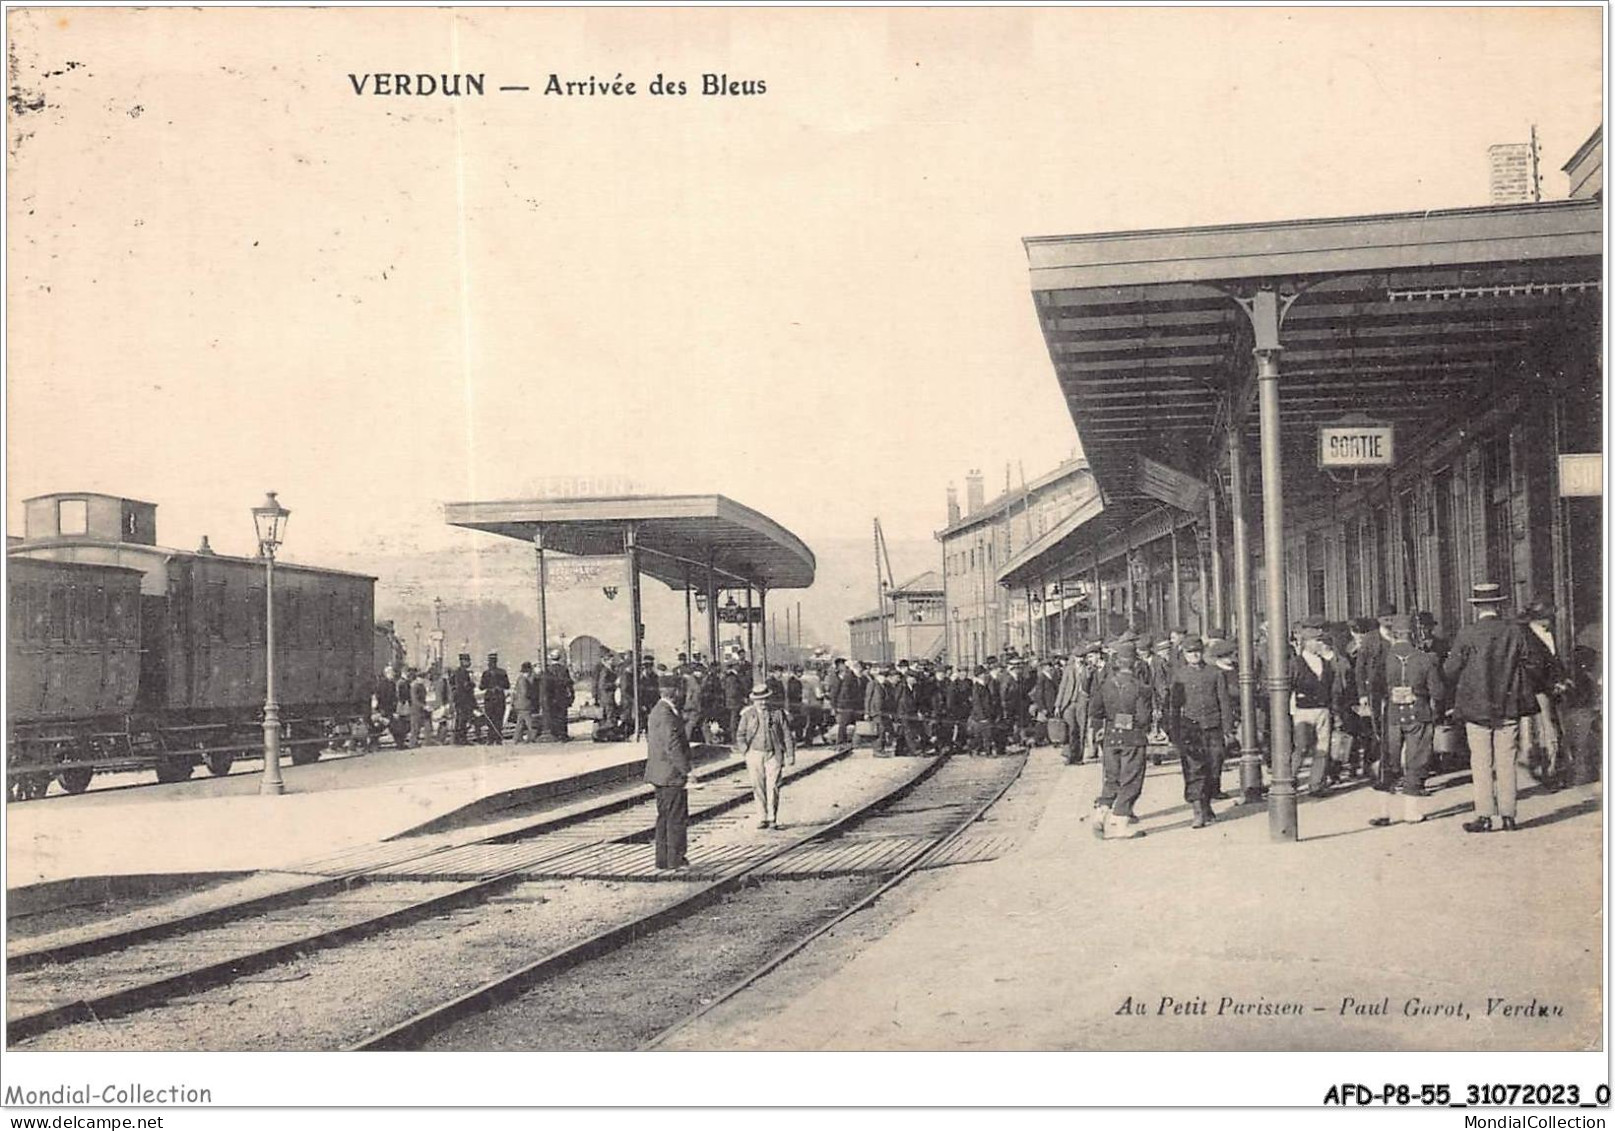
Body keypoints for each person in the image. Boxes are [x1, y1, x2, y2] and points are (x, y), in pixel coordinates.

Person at [1443, 582, 1544, 833]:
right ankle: (1509, 816)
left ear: (1476, 607)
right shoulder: (1515, 632)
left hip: (1476, 709)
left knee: (1480, 763)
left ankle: (1485, 816)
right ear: (1499, 605)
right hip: (1509, 707)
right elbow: (1534, 664)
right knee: (1506, 761)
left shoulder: (1467, 634)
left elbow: (1450, 670)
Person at [1369, 614, 1445, 827]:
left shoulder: (1384, 659)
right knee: (1416, 761)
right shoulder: (1425, 658)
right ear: (1414, 634)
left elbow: (1374, 687)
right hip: (1418, 713)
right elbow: (1437, 692)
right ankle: (1411, 812)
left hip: (1392, 714)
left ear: (1394, 635)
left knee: (1388, 761)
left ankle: (1384, 812)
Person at [1088, 639, 1152, 840]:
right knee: (1131, 780)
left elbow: (1095, 712)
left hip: (1110, 737)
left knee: (1111, 778)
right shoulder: (1141, 688)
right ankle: (1120, 822)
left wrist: (1103, 730)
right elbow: (1143, 718)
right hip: (1133, 739)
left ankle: (1100, 813)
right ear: (1135, 663)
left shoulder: (1104, 685)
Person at [1168, 635, 1231, 828]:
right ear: (1184, 655)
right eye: (1189, 653)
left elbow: (1224, 701)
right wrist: (1174, 732)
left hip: (1213, 727)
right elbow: (1174, 706)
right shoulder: (1179, 675)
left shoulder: (1215, 673)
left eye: (1196, 652)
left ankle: (1206, 805)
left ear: (1202, 653)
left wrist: (1228, 729)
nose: (1194, 655)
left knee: (1214, 766)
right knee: (1194, 769)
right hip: (1190, 729)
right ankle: (1198, 811)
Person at [1291, 624, 1345, 796]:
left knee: (1323, 748)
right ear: (1307, 642)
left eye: (1321, 640)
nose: (1320, 644)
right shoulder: (1296, 663)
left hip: (1323, 709)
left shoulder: (1325, 662)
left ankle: (1316, 784)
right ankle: (1290, 778)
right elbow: (1289, 688)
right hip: (1303, 710)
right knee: (1302, 747)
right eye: (1317, 641)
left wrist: (1333, 710)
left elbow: (1332, 687)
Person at [645, 675, 692, 870]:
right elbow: (672, 746)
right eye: (680, 690)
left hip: (660, 773)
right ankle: (675, 859)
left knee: (664, 816)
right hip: (670, 774)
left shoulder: (658, 711)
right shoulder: (666, 714)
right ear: (674, 692)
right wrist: (686, 771)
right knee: (676, 817)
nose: (683, 694)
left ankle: (663, 860)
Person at [734, 682, 796, 828]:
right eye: (759, 699)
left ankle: (772, 818)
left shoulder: (778, 713)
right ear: (754, 700)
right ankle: (762, 817)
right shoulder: (748, 715)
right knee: (758, 786)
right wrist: (745, 751)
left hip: (773, 753)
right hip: (754, 753)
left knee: (773, 785)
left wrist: (790, 754)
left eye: (765, 699)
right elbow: (740, 735)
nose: (763, 702)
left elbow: (787, 734)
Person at [968, 664, 1005, 756]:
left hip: (987, 714)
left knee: (986, 734)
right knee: (985, 734)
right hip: (982, 716)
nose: (984, 675)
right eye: (983, 674)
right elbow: (977, 703)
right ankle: (984, 751)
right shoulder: (977, 687)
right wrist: (982, 717)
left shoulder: (984, 685)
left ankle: (984, 751)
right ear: (979, 675)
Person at [479, 653, 509, 745]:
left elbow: (481, 686)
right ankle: (497, 738)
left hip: (490, 698)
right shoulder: (502, 672)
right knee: (497, 718)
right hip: (498, 697)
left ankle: (492, 739)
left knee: (492, 719)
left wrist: (490, 687)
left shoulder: (486, 673)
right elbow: (507, 685)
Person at [448, 654, 478, 745]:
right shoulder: (462, 672)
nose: (469, 663)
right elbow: (465, 686)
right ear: (462, 661)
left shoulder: (457, 672)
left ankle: (458, 739)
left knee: (460, 719)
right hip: (463, 699)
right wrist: (472, 684)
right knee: (462, 719)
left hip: (459, 699)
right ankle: (461, 739)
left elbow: (452, 684)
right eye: (467, 661)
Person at [511, 661, 541, 743]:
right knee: (530, 723)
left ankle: (516, 738)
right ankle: (532, 738)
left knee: (520, 723)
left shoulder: (520, 679)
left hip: (520, 705)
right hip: (525, 705)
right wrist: (533, 697)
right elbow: (525, 693)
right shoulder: (524, 680)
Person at [407, 667, 430, 748]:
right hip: (415, 710)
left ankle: (424, 742)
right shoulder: (414, 686)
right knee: (415, 728)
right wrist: (424, 706)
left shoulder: (422, 687)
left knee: (422, 727)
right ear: (418, 678)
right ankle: (412, 744)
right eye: (421, 678)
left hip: (422, 710)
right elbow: (414, 700)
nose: (423, 680)